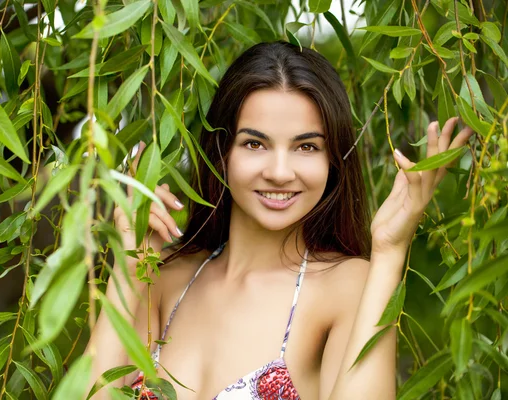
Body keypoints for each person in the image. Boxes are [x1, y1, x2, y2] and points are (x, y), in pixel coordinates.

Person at [85, 41, 474, 399]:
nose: (280, 172)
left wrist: (389, 253)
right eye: (255, 143)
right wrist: (129, 266)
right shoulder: (163, 278)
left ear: (332, 161)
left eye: (306, 146)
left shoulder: (344, 285)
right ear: (223, 152)